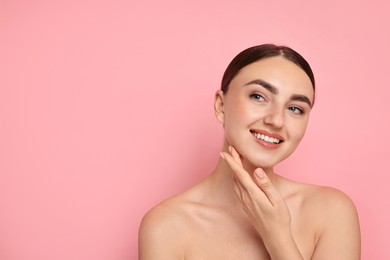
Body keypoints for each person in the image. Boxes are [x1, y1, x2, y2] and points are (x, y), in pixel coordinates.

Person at [138, 44, 361, 259]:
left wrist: (278, 237)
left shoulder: (331, 212)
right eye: (258, 96)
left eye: (295, 108)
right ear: (221, 106)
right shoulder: (166, 225)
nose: (276, 120)